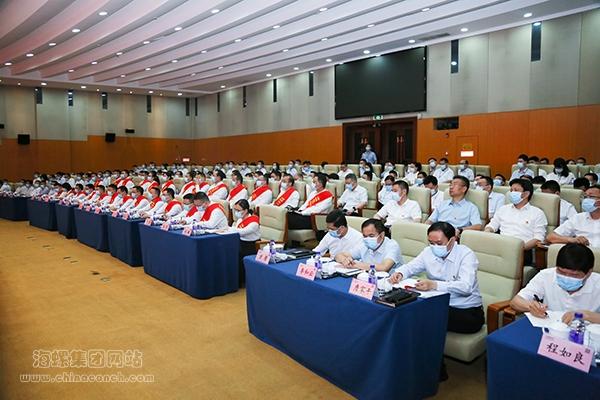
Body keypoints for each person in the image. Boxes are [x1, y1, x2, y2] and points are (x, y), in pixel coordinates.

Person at [389, 221, 484, 334]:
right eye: (431, 243)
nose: (434, 247)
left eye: (439, 243)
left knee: (416, 316)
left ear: (452, 240)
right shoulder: (428, 252)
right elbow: (411, 267)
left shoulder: (466, 255)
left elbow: (466, 287)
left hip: (466, 310)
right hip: (437, 304)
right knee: (404, 309)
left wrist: (434, 285)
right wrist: (400, 273)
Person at [510, 243, 600, 324]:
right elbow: (516, 302)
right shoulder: (546, 275)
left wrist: (587, 315)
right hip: (551, 329)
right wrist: (531, 307)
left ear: (589, 272)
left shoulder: (597, 283)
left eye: (574, 275)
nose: (566, 278)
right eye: (561, 272)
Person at [485, 179, 547, 264]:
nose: (512, 193)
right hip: (500, 248)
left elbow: (538, 238)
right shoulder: (503, 209)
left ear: (526, 194)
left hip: (522, 251)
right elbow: (492, 225)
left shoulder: (537, 213)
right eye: (511, 190)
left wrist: (519, 249)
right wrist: (487, 232)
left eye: (516, 190)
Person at [335, 219, 403, 271]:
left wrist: (355, 264)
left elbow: (383, 268)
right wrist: (345, 260)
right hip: (367, 279)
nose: (367, 239)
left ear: (382, 235)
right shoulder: (364, 243)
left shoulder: (392, 245)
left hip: (391, 281)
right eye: (365, 236)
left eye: (371, 236)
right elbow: (338, 255)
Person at [225, 199, 260, 286]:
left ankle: (239, 280)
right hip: (240, 241)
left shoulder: (254, 221)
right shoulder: (240, 220)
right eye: (235, 210)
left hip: (251, 245)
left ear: (246, 210)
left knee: (236, 255)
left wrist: (228, 228)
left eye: (238, 210)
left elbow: (243, 232)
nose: (236, 212)